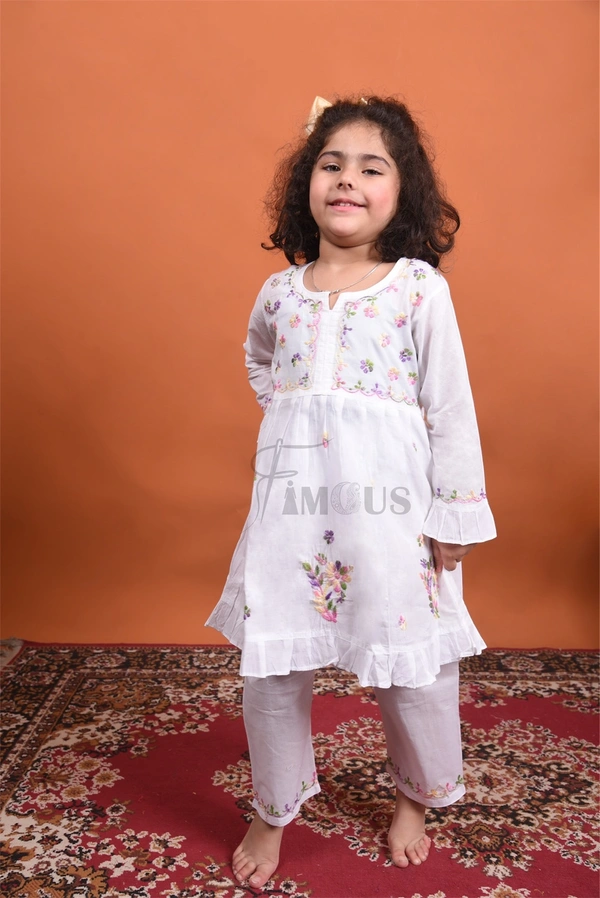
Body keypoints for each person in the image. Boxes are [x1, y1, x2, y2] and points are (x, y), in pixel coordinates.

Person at [205, 95, 497, 889]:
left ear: (404, 193)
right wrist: (303, 419)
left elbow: (450, 405)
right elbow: (262, 360)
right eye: (331, 164)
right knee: (271, 669)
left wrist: (454, 512)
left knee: (411, 668)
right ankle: (274, 808)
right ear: (306, 181)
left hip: (391, 519)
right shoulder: (281, 292)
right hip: (293, 517)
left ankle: (415, 795)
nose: (347, 180)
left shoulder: (416, 290)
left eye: (372, 169)